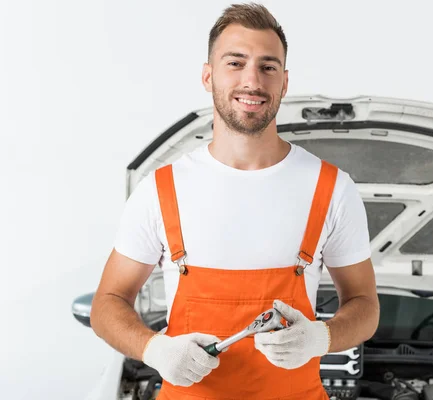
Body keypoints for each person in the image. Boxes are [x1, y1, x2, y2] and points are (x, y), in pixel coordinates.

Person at [90, 3, 379, 399]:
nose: (252, 80)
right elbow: (107, 304)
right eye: (235, 63)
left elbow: (365, 305)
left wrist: (322, 336)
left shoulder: (331, 188)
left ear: (285, 81)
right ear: (208, 76)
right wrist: (153, 348)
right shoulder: (161, 190)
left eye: (268, 66)